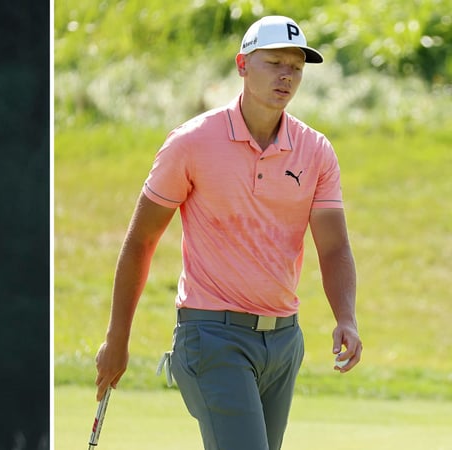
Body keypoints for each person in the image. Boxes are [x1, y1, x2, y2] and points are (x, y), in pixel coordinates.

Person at [94, 15, 362, 450]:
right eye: (274, 62)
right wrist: (117, 340)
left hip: (284, 341)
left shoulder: (315, 151)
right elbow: (141, 240)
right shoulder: (192, 142)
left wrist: (346, 317)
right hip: (212, 337)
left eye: (295, 67)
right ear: (242, 65)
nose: (286, 75)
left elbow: (333, 247)